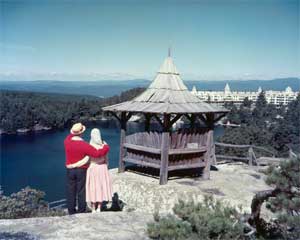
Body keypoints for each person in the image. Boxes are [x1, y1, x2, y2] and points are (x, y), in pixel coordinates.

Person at [64, 123, 110, 215]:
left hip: (70, 170)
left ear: (73, 132)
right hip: (81, 170)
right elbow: (97, 154)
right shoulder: (85, 145)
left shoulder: (67, 141)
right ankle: (81, 211)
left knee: (71, 191)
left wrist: (74, 132)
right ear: (81, 133)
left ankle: (71, 211)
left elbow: (70, 136)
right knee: (81, 191)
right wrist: (106, 147)